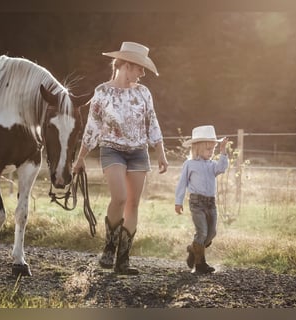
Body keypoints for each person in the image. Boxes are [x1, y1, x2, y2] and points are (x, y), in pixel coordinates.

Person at [73, 41, 168, 275]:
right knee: (120, 198)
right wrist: (80, 158)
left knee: (133, 203)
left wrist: (161, 154)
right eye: (139, 68)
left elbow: (152, 123)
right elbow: (92, 127)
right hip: (112, 150)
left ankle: (123, 260)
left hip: (138, 152)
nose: (142, 73)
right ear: (126, 65)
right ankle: (109, 247)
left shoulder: (143, 92)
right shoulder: (102, 92)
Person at [174, 125, 229, 274]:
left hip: (211, 203)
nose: (211, 152)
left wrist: (223, 151)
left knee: (211, 233)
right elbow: (182, 183)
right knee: (202, 232)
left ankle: (193, 249)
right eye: (208, 149)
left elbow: (222, 168)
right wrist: (178, 201)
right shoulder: (189, 164)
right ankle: (200, 264)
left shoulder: (212, 165)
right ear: (197, 149)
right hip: (196, 203)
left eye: (213, 149)